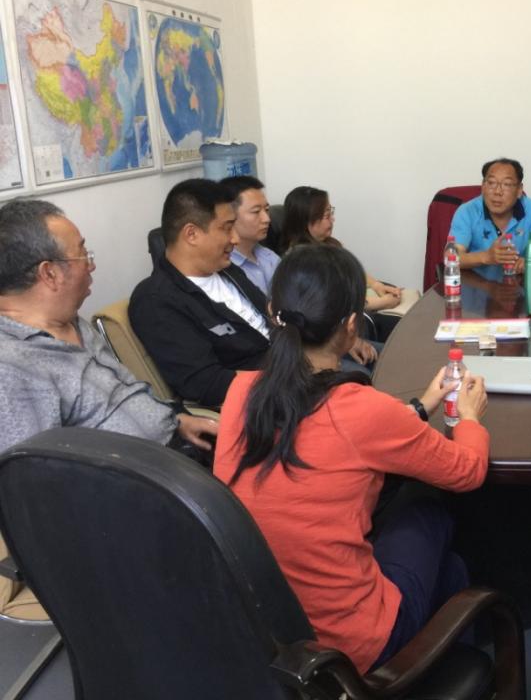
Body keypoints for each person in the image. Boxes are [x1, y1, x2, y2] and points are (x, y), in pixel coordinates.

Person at [212, 244, 489, 673]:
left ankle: (444, 659)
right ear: (351, 326)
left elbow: (341, 433)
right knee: (430, 506)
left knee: (449, 570)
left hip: (264, 637)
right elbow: (467, 471)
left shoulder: (241, 392)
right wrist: (469, 418)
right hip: (349, 647)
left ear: (271, 310)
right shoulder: (360, 409)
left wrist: (421, 406)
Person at [130, 179, 380, 407]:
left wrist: (334, 340)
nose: (235, 239)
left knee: (379, 357)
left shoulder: (227, 271)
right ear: (192, 234)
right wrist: (302, 374)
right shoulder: (156, 300)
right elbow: (206, 384)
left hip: (298, 361)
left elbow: (280, 319)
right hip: (270, 395)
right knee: (360, 380)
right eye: (227, 228)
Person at [0, 199, 217, 454]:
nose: (91, 265)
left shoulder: (70, 320)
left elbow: (124, 393)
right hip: (146, 472)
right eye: (83, 254)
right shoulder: (12, 367)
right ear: (49, 273)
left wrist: (175, 420)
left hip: (176, 442)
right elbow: (31, 470)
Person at [279, 185, 401, 313]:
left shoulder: (328, 244)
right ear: (307, 222)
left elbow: (351, 271)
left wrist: (376, 285)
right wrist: (383, 303)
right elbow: (337, 302)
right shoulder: (302, 263)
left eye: (331, 212)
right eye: (327, 216)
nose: (333, 219)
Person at [449, 157, 531, 279]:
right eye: (491, 183)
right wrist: (486, 257)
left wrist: (529, 262)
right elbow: (451, 256)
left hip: (517, 285)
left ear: (519, 190)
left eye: (506, 184)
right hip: (476, 285)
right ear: (483, 187)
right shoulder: (467, 211)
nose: (497, 192)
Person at [223, 175, 279, 296]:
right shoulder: (223, 266)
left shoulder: (270, 257)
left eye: (266, 209)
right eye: (256, 211)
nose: (267, 219)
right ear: (229, 215)